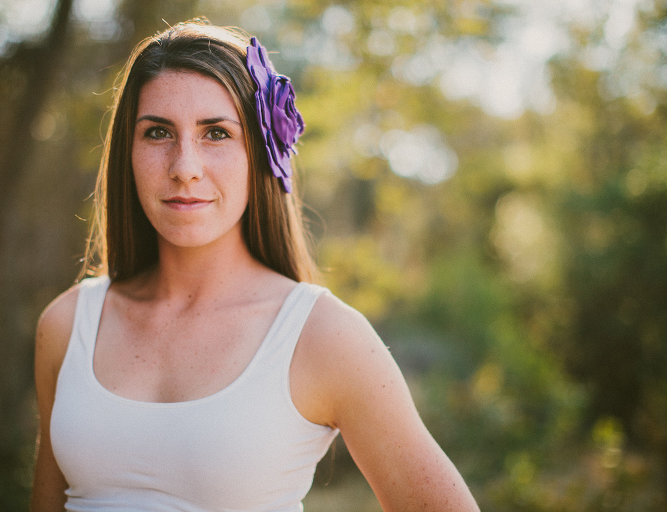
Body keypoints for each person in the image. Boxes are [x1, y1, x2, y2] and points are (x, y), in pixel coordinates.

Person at [31, 18, 480, 512]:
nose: (184, 167)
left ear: (261, 153)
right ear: (127, 151)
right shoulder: (68, 324)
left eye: (216, 133)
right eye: (157, 132)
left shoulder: (322, 336)